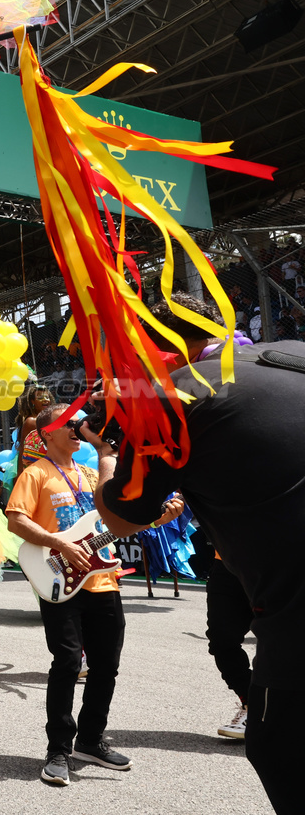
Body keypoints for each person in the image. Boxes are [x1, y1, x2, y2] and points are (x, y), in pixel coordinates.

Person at [89, 293, 305, 814]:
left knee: (278, 748)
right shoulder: (291, 352)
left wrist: (105, 446)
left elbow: (122, 518)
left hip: (295, 603)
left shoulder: (174, 397)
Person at [7, 403, 178, 785]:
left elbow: (114, 527)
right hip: (61, 583)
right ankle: (57, 751)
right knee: (68, 663)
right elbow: (15, 520)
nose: (77, 429)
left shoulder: (90, 474)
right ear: (47, 433)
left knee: (106, 666)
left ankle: (90, 740)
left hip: (104, 581)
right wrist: (60, 545)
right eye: (68, 424)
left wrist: (156, 518)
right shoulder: (35, 474)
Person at [207, 548, 253, 740]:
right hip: (226, 560)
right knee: (221, 639)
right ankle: (253, 705)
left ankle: (271, 712)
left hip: (279, 561)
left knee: (279, 641)